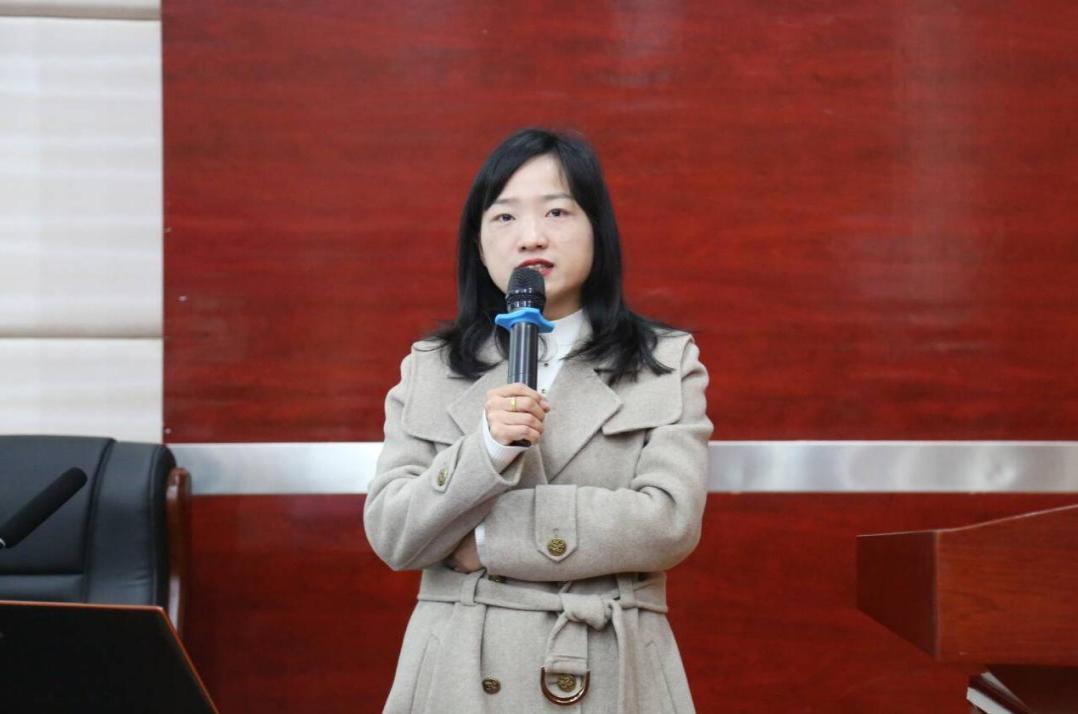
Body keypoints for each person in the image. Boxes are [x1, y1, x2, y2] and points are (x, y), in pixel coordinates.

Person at [364, 127, 712, 713]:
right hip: (459, 676)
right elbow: (393, 533)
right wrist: (486, 449)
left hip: (607, 667)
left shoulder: (663, 361)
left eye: (557, 211)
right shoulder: (431, 366)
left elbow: (668, 522)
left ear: (597, 231)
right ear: (478, 245)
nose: (531, 236)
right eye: (504, 217)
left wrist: (486, 540)